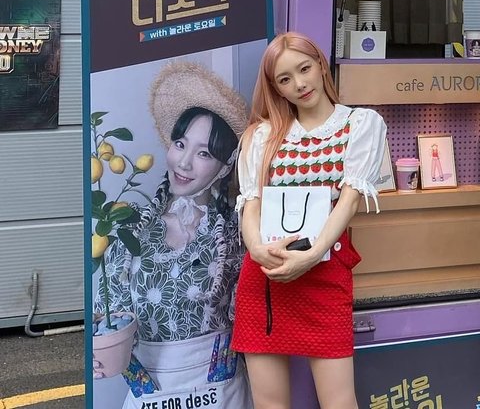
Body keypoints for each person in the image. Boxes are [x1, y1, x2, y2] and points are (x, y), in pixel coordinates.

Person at [232, 32, 387, 409]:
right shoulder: (262, 135)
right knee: (270, 404)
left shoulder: (360, 124)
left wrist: (313, 254)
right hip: (266, 274)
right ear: (276, 88)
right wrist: (257, 250)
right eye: (285, 79)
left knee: (339, 402)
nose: (299, 84)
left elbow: (348, 202)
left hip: (324, 269)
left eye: (304, 69)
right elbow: (250, 204)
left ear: (320, 65)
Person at [94, 62, 252, 409]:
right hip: (150, 396)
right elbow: (108, 315)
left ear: (226, 165)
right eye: (180, 144)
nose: (184, 163)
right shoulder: (130, 229)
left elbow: (251, 322)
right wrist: (102, 347)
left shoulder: (239, 233)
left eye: (204, 153)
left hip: (219, 396)